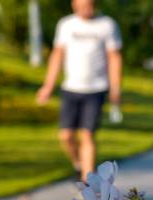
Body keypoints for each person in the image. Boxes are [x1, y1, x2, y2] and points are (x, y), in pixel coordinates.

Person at [36, 0, 122, 182]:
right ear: (74, 5)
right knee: (66, 135)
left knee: (87, 134)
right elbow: (57, 55)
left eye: (88, 5)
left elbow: (114, 58)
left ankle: (87, 181)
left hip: (96, 88)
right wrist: (48, 86)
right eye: (81, 5)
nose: (85, 9)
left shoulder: (107, 25)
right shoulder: (66, 25)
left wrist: (115, 88)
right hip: (71, 88)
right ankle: (78, 163)